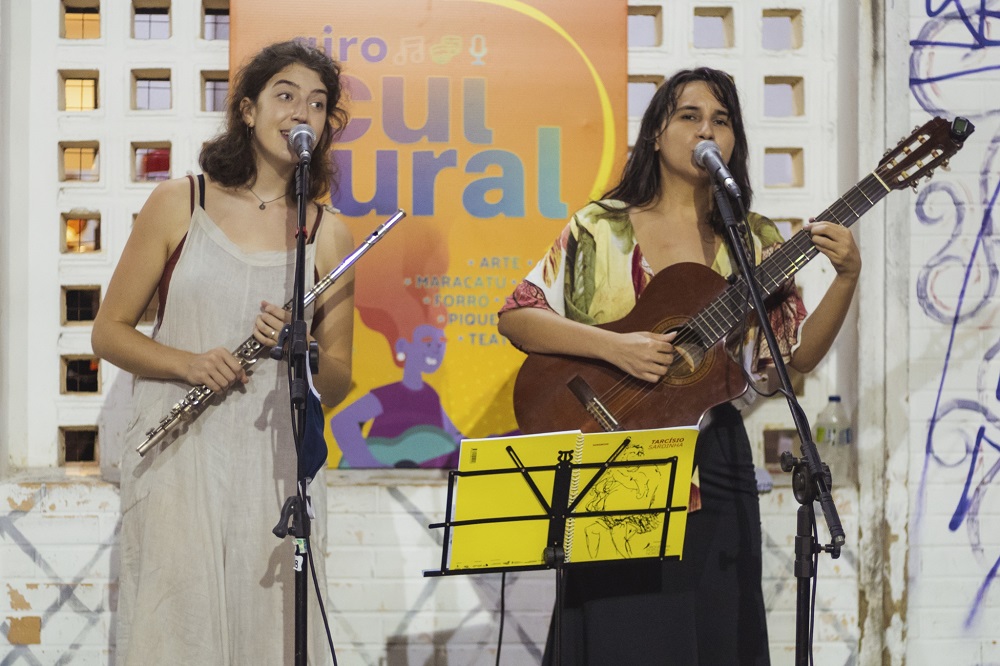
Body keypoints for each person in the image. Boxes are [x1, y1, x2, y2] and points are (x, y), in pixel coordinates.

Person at [497, 68, 860, 664]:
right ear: (657, 133)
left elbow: (782, 369)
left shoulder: (753, 240)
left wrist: (846, 278)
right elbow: (519, 317)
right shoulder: (600, 227)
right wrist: (615, 348)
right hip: (615, 457)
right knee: (626, 635)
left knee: (715, 631)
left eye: (721, 119)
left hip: (715, 465)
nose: (706, 129)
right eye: (689, 115)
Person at [92, 40, 355, 665]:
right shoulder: (179, 202)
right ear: (246, 110)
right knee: (177, 633)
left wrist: (303, 350)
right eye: (285, 96)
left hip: (274, 464)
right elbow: (109, 332)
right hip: (180, 459)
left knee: (270, 633)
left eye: (318, 105)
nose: (302, 113)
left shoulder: (329, 231)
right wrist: (188, 362)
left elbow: (341, 374)